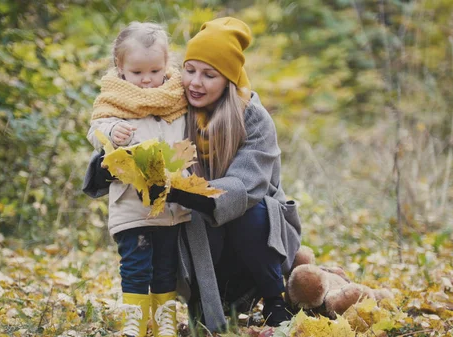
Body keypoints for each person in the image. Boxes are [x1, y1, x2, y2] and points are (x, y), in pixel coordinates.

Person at [165, 17, 303, 332]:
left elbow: (248, 186)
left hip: (259, 243)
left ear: (228, 79)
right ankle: (203, 301)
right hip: (203, 243)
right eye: (189, 70)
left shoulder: (253, 117)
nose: (195, 83)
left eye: (209, 75)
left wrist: (190, 191)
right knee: (195, 214)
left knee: (246, 208)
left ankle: (275, 300)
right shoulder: (173, 110)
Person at [85, 21, 190, 337]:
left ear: (166, 66)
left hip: (170, 207)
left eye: (155, 71)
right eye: (137, 73)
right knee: (135, 264)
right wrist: (112, 132)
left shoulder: (176, 99)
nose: (147, 80)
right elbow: (96, 130)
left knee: (165, 266)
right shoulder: (114, 102)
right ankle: (134, 319)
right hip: (132, 206)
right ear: (120, 69)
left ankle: (164, 319)